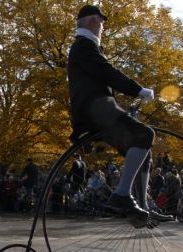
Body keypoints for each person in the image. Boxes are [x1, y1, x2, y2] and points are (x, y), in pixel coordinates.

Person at [67, 4, 171, 226]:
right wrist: (138, 89)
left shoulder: (86, 47)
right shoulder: (83, 46)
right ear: (93, 21)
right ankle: (122, 194)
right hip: (94, 108)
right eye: (102, 22)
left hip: (98, 108)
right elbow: (107, 72)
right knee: (144, 134)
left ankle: (142, 208)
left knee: (145, 151)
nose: (103, 27)